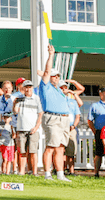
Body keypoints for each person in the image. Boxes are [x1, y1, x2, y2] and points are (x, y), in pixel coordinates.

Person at [39, 45, 71, 182]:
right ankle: (47, 174)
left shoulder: (59, 89)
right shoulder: (45, 86)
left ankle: (60, 174)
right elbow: (46, 71)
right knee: (51, 146)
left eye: (57, 76)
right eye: (53, 76)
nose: (56, 78)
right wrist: (51, 54)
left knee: (60, 147)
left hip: (64, 119)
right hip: (52, 118)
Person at [13, 80, 43, 176]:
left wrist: (36, 127)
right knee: (22, 152)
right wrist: (14, 103)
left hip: (33, 129)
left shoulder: (36, 98)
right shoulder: (19, 98)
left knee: (33, 151)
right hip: (21, 128)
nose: (28, 89)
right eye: (26, 87)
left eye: (30, 87)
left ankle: (34, 172)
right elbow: (15, 111)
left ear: (32, 88)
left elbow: (40, 114)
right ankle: (22, 171)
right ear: (23, 88)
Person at [58, 80, 82, 176]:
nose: (64, 89)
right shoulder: (57, 101)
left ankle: (71, 171)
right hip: (60, 127)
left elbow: (77, 115)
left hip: (71, 127)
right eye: (61, 88)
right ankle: (60, 170)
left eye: (65, 87)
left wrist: (74, 125)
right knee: (60, 150)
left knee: (71, 151)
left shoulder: (72, 101)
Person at [0, 81, 15, 175]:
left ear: (12, 89)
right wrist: (3, 118)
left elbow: (15, 112)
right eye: (5, 88)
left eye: (9, 88)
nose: (7, 90)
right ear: (2, 89)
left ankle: (11, 170)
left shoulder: (14, 99)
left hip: (12, 124)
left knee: (12, 150)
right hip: (1, 123)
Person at [87, 87, 105, 178]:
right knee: (99, 153)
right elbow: (90, 121)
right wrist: (95, 132)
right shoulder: (95, 106)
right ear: (100, 94)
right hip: (100, 132)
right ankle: (96, 173)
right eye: (104, 93)